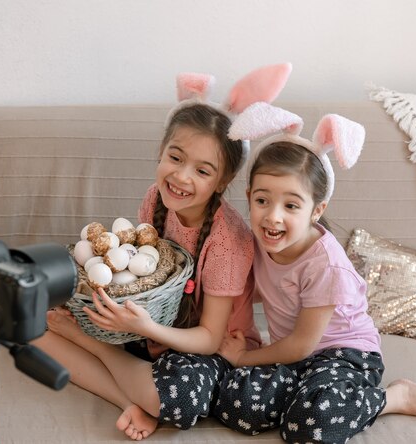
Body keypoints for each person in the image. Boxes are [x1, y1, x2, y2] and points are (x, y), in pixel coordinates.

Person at [32, 63, 292, 441]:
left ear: (224, 181)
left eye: (203, 171)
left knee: (175, 398)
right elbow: (139, 275)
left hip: (209, 349)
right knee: (35, 330)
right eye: (175, 157)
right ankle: (128, 400)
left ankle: (100, 355)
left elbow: (208, 337)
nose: (182, 177)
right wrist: (123, 316)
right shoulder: (154, 200)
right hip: (152, 328)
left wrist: (137, 329)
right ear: (160, 152)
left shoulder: (227, 240)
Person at [214, 103, 416, 443]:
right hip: (295, 359)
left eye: (291, 205)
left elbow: (302, 344)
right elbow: (265, 290)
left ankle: (394, 398)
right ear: (249, 198)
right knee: (237, 404)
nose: (273, 217)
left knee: (310, 426)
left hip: (346, 355)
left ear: (316, 210)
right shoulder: (261, 241)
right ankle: (306, 396)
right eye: (263, 201)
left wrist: (246, 357)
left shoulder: (326, 265)